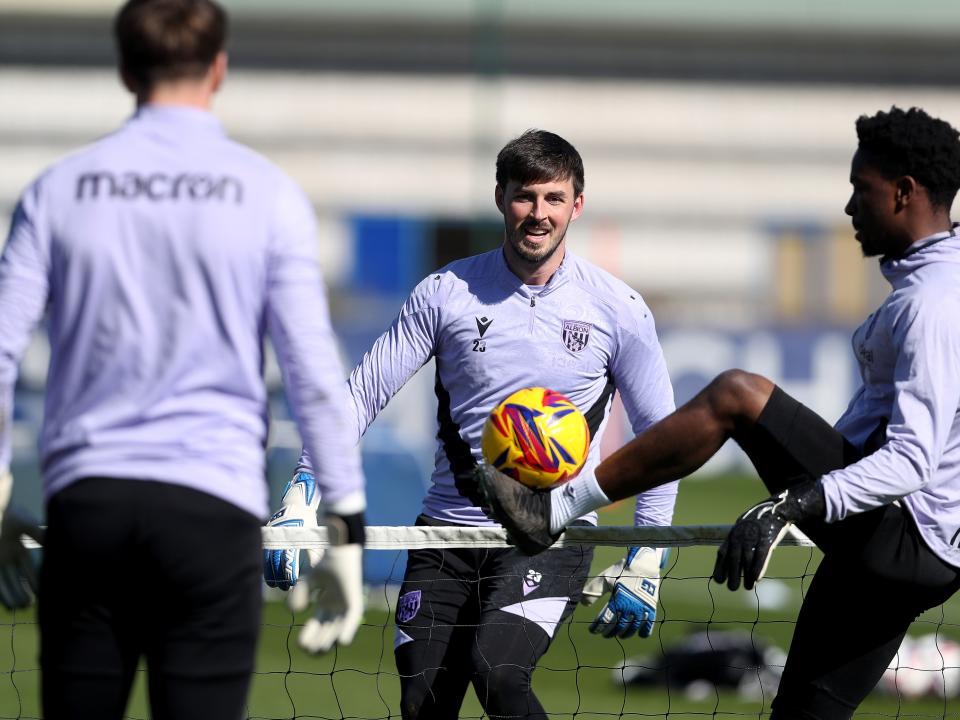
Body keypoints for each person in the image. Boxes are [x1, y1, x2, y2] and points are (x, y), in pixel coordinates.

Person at [479, 106, 960, 719]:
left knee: (738, 394)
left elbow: (913, 460)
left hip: (903, 535)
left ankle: (556, 507)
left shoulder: (932, 303)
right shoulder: (936, 281)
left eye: (860, 190)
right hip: (904, 547)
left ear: (904, 192)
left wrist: (797, 502)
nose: (849, 208)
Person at [0, 1, 367, 717]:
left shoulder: (58, 190)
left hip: (88, 508)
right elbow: (313, 374)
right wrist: (346, 527)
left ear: (125, 70)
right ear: (219, 69)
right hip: (211, 512)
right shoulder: (268, 194)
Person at [264, 129, 679, 719]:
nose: (538, 213)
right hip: (445, 538)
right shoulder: (445, 293)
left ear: (577, 205)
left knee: (499, 674)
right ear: (500, 197)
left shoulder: (619, 309)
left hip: (549, 537)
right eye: (524, 196)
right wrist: (305, 486)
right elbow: (362, 393)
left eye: (554, 198)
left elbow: (663, 438)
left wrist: (647, 554)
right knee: (422, 704)